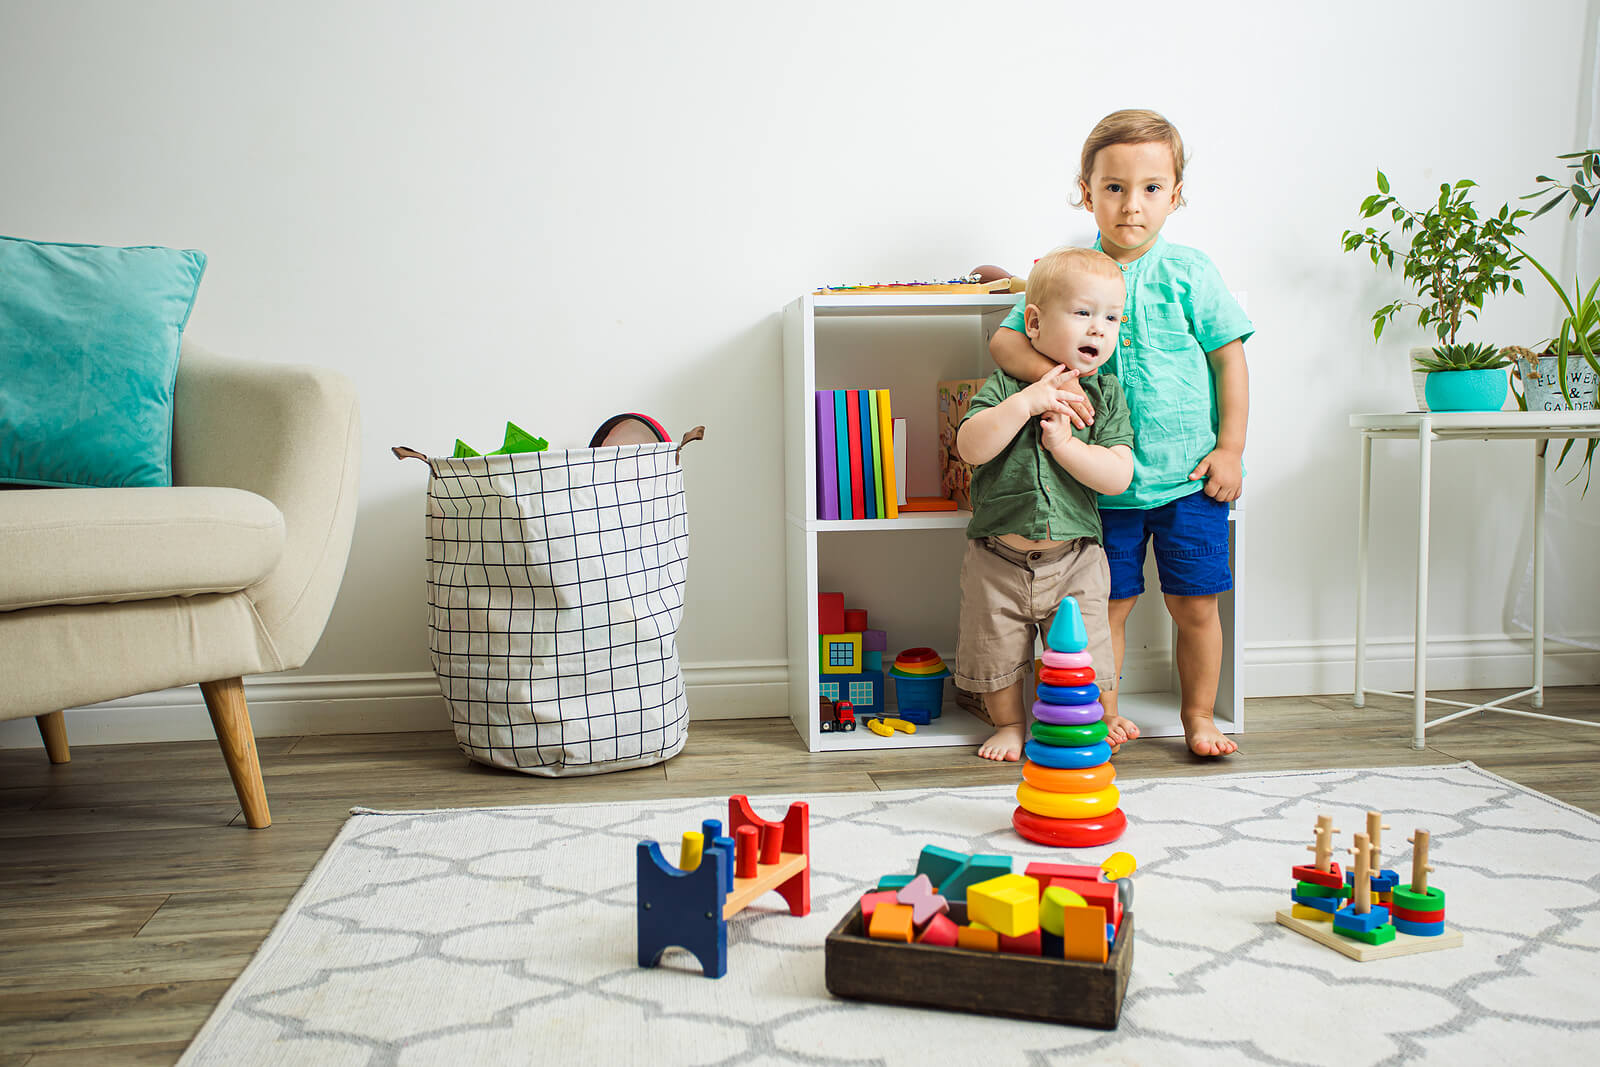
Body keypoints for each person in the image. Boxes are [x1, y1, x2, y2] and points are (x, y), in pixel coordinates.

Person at [987, 109, 1253, 757]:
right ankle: (1103, 716)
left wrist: (1231, 448)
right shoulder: (1067, 270)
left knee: (1197, 606)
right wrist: (1055, 379)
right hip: (1103, 489)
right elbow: (1003, 337)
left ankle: (1199, 716)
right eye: (1113, 187)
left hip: (1190, 477)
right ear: (1086, 189)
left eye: (1152, 188)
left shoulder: (1191, 271)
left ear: (1176, 194)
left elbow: (1229, 359)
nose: (1132, 205)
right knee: (1106, 613)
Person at [954, 246, 1135, 762]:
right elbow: (971, 446)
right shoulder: (1005, 385)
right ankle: (1010, 725)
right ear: (1033, 322)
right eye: (1083, 313)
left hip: (1074, 558)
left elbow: (1119, 475)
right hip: (997, 558)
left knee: (1090, 649)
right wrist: (1027, 402)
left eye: (1111, 318)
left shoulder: (1105, 395)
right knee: (996, 649)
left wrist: (1066, 446)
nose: (1098, 329)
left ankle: (1102, 716)